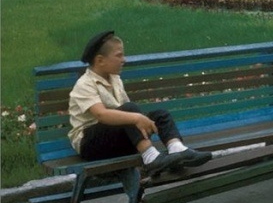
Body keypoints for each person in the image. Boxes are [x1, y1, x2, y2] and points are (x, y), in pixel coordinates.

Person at [68, 31, 212, 178]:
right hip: (91, 145)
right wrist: (137, 118)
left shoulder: (115, 79)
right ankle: (151, 159)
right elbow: (101, 114)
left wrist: (144, 121)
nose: (124, 60)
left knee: (160, 114)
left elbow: (125, 112)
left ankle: (178, 150)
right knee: (131, 112)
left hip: (116, 138)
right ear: (100, 61)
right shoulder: (85, 84)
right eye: (119, 55)